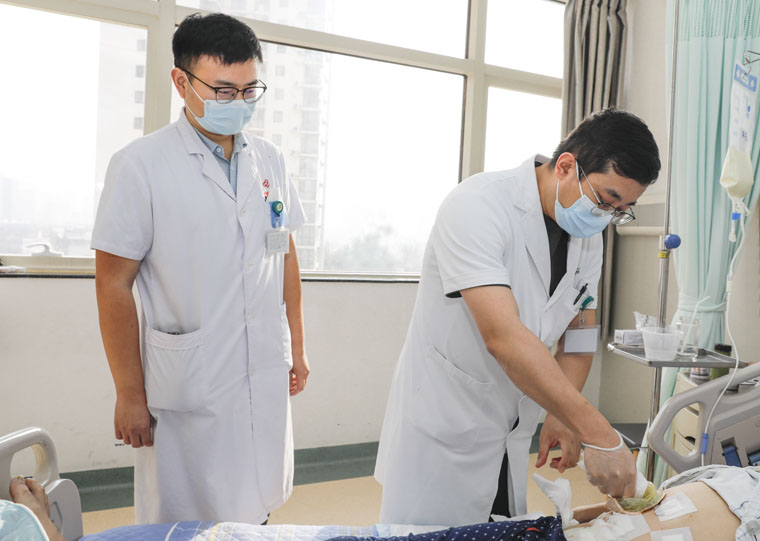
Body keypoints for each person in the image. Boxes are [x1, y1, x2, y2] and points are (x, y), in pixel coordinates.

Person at [374, 108, 661, 526]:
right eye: (606, 200)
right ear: (566, 166)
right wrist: (599, 433)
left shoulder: (588, 238)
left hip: (511, 427)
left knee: (502, 526)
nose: (608, 216)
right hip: (446, 425)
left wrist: (562, 411)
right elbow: (503, 336)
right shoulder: (477, 206)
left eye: (623, 209)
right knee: (427, 533)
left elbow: (579, 334)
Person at [92, 12, 308, 525]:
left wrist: (297, 347)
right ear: (181, 81)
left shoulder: (270, 160)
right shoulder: (140, 165)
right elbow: (113, 284)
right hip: (190, 377)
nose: (238, 103)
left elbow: (284, 253)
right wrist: (129, 393)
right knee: (187, 512)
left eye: (249, 91)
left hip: (262, 363)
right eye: (224, 91)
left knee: (256, 506)